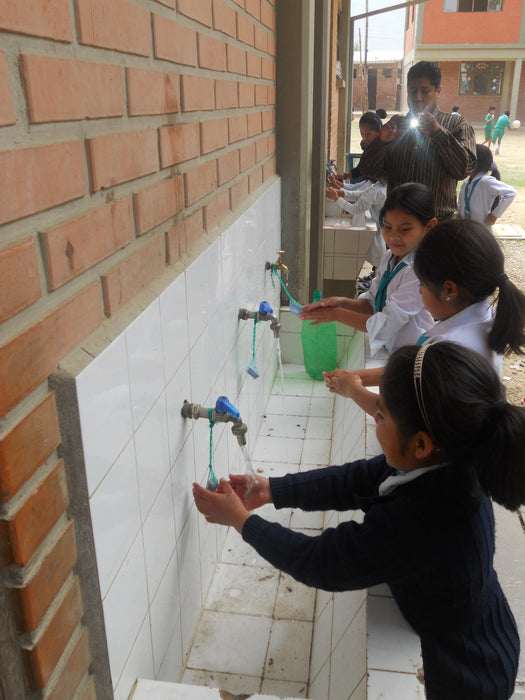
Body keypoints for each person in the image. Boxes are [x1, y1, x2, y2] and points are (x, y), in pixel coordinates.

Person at [193, 342, 524, 700]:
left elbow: (322, 563)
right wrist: (273, 489)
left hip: (469, 672)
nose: (375, 420)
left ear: (421, 444)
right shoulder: (447, 459)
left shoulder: (426, 521)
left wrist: (242, 522)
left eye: (380, 415)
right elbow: (358, 479)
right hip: (472, 614)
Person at [323, 218, 525, 414]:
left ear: (449, 290)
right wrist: (356, 376)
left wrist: (353, 390)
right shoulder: (484, 315)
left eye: (423, 284)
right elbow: (413, 372)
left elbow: (392, 419)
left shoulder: (446, 348)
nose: (419, 292)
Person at [301, 183, 435, 356]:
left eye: (405, 229)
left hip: (415, 355)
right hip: (392, 350)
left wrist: (335, 314)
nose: (394, 236)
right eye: (387, 227)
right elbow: (372, 304)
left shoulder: (419, 271)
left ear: (428, 227)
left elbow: (386, 324)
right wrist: (341, 302)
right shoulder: (389, 258)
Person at [358, 61, 477, 219]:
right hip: (400, 224)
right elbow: (367, 170)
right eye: (413, 92)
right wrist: (381, 143)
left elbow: (464, 169)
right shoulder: (395, 128)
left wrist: (438, 133)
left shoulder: (456, 125)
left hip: (437, 224)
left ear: (438, 90)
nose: (418, 98)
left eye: (425, 91)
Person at [458, 144, 516, 232]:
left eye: (467, 159)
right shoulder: (466, 183)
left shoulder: (486, 181)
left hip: (482, 231)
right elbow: (461, 204)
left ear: (475, 163)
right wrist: (457, 214)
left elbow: (511, 193)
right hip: (466, 229)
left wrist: (495, 214)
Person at [334, 109, 386, 183]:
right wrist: (344, 176)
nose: (364, 138)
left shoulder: (383, 151)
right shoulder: (368, 147)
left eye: (368, 134)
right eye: (362, 133)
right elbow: (361, 169)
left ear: (378, 132)